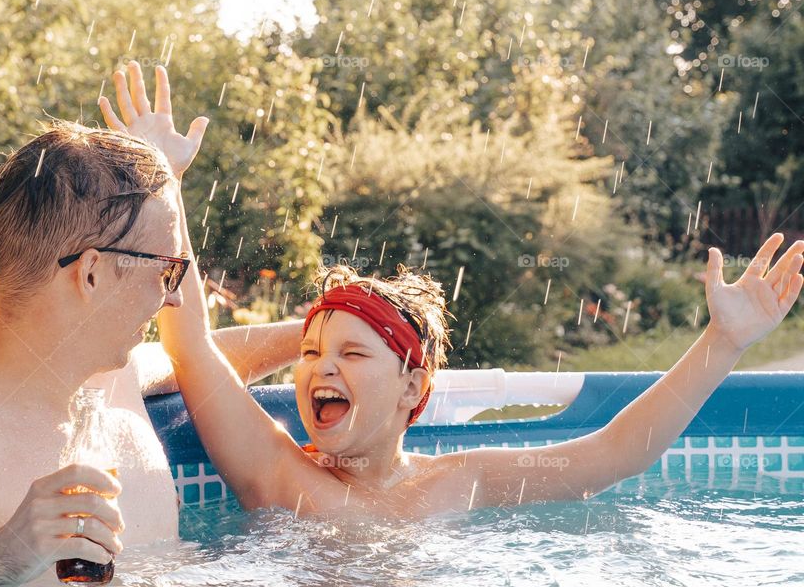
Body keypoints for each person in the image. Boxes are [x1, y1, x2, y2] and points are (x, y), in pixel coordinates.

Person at [101, 63, 804, 517]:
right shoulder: (280, 476)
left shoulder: (456, 484)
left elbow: (613, 454)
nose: (320, 368)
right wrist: (162, 180)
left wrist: (723, 341)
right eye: (312, 352)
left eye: (353, 354)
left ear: (414, 388)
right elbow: (187, 339)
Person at [0, 62, 301, 587]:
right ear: (90, 273)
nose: (174, 294)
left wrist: (321, 338)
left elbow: (198, 357)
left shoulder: (112, 384)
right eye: (166, 273)